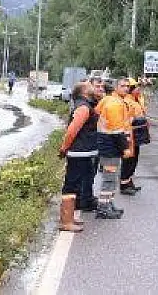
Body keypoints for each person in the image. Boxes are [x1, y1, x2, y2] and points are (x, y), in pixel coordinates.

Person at [57, 82, 98, 232]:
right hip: (78, 153)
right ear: (83, 92)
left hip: (83, 152)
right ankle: (66, 221)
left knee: (75, 185)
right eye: (88, 85)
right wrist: (64, 148)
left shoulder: (86, 105)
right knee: (71, 185)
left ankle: (69, 218)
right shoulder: (83, 108)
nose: (92, 86)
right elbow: (72, 130)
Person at [94, 78, 132, 219]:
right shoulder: (115, 104)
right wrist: (126, 148)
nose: (126, 88)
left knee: (111, 178)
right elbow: (117, 131)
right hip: (111, 148)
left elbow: (97, 115)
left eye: (127, 86)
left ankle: (108, 204)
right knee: (109, 179)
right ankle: (103, 208)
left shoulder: (108, 100)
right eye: (123, 86)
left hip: (106, 145)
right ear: (116, 87)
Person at [76, 78, 104, 212]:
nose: (100, 88)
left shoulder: (98, 102)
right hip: (85, 145)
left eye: (101, 86)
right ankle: (83, 200)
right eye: (97, 86)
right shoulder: (87, 105)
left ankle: (87, 197)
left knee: (91, 172)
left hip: (95, 143)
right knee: (85, 172)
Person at [120, 79, 149, 194]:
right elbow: (127, 119)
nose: (139, 89)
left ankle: (129, 181)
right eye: (136, 87)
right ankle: (124, 184)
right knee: (129, 159)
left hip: (137, 133)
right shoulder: (127, 102)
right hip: (130, 134)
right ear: (132, 90)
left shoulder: (136, 99)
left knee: (134, 159)